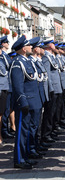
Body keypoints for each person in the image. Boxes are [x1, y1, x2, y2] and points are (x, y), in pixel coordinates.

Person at [11, 35, 43, 169]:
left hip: (33, 101)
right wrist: (22, 102)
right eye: (29, 45)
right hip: (25, 103)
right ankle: (19, 159)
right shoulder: (18, 63)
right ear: (24, 49)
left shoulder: (28, 61)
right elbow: (18, 86)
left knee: (30, 130)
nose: (32, 47)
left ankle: (27, 155)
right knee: (22, 132)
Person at [0, 36, 15, 140]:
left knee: (6, 109)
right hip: (3, 85)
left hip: (7, 85)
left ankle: (5, 130)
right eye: (6, 42)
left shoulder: (4, 56)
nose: (8, 44)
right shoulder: (2, 57)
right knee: (4, 111)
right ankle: (3, 131)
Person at [0, 39, 10, 147]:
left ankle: (3, 132)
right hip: (2, 88)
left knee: (4, 111)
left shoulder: (3, 58)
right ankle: (2, 133)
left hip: (5, 87)